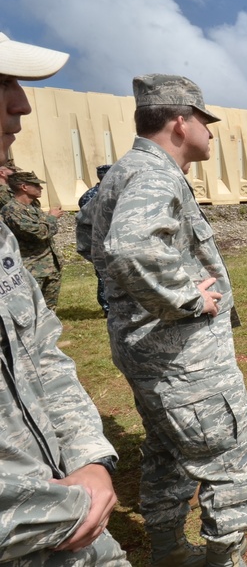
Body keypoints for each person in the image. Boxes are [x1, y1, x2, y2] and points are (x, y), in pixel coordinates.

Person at [77, 74, 247, 567]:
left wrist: (132, 297)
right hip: (184, 360)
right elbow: (128, 246)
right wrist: (185, 297)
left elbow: (88, 239)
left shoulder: (121, 172)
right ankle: (225, 560)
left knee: (166, 451)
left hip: (148, 354)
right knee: (232, 461)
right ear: (180, 121)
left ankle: (169, 552)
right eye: (205, 120)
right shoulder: (155, 173)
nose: (212, 131)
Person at [0, 32, 130, 564]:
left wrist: (90, 459)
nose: (22, 104)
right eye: (2, 83)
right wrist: (46, 515)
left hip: (72, 517)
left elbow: (39, 353)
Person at [1, 170, 64, 310]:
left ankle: (49, 332)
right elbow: (38, 233)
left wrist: (48, 221)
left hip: (50, 265)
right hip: (32, 268)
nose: (40, 188)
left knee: (49, 310)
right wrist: (52, 218)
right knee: (31, 309)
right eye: (36, 185)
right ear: (24, 187)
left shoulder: (33, 206)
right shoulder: (12, 210)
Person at [77, 164, 112, 316]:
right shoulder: (105, 193)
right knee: (105, 274)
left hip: (95, 239)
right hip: (103, 238)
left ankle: (107, 306)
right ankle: (108, 307)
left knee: (103, 274)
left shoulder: (88, 194)